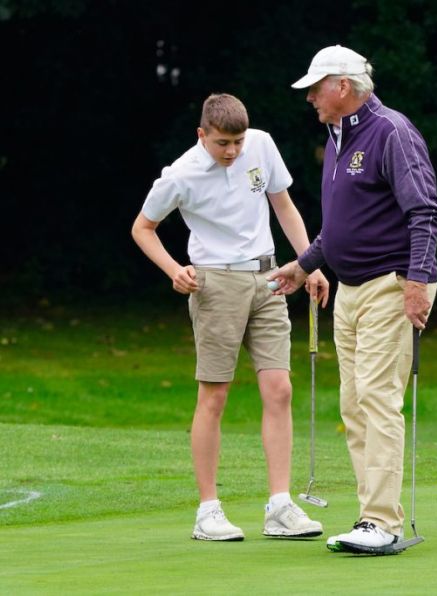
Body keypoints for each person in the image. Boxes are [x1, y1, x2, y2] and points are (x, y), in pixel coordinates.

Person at [268, 45, 437, 553]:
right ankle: (372, 517)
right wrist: (304, 266)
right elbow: (342, 226)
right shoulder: (338, 136)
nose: (309, 99)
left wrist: (417, 280)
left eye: (314, 89)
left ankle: (382, 521)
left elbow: (425, 212)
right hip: (351, 288)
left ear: (341, 86)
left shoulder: (390, 131)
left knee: (377, 398)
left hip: (392, 283)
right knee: (354, 403)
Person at [131, 93, 329, 542]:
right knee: (215, 395)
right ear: (202, 135)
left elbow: (283, 206)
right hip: (214, 284)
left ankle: (280, 505)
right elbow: (142, 228)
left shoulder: (260, 145)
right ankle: (208, 511)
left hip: (270, 277)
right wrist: (174, 270)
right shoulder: (180, 174)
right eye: (223, 142)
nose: (233, 151)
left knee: (279, 388)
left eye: (238, 141)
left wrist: (308, 262)